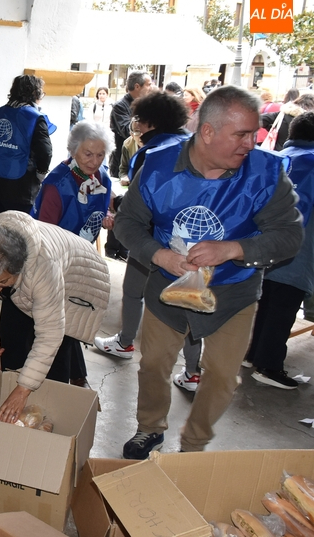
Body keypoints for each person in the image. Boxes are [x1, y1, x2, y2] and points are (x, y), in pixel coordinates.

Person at [115, 86, 303, 458]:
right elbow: (127, 224)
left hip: (233, 294)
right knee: (153, 364)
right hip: (168, 287)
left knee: (220, 377)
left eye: (254, 133)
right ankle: (150, 428)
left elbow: (290, 236)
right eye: (242, 134)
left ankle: (194, 444)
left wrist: (235, 249)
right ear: (208, 132)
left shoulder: (266, 173)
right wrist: (160, 256)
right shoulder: (158, 166)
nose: (252, 143)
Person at [0, 211, 110, 423]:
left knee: (58, 352)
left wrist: (23, 390)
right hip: (31, 277)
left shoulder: (44, 267)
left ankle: (60, 400)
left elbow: (50, 335)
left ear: (19, 269)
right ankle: (13, 407)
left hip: (78, 280)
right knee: (10, 338)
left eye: (1, 282)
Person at [96, 92, 200, 383]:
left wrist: (117, 204)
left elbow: (144, 201)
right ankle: (194, 372)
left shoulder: (153, 154)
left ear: (152, 122)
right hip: (192, 241)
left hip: (155, 240)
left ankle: (125, 342)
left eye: (139, 120)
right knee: (190, 304)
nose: (137, 127)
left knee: (133, 289)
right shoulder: (192, 145)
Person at [31, 120, 113, 387]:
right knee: (61, 318)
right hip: (55, 257)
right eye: (88, 154)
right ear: (73, 151)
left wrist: (106, 218)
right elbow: (44, 233)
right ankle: (70, 379)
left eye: (100, 155)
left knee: (74, 314)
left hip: (83, 255)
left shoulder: (103, 177)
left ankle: (76, 376)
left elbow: (98, 211)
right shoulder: (57, 184)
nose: (94, 161)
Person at [244, 112, 314, 389]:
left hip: (263, 242)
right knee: (284, 307)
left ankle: (253, 355)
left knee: (267, 301)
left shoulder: (275, 158)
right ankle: (269, 365)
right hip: (299, 247)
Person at [0, 74, 55, 216]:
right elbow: (45, 151)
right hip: (21, 185)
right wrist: (40, 174)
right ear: (35, 93)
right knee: (18, 232)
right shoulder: (34, 117)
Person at [110, 71, 152, 178]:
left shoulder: (149, 105)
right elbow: (125, 130)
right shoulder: (120, 106)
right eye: (148, 84)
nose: (151, 88)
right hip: (124, 163)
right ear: (137, 86)